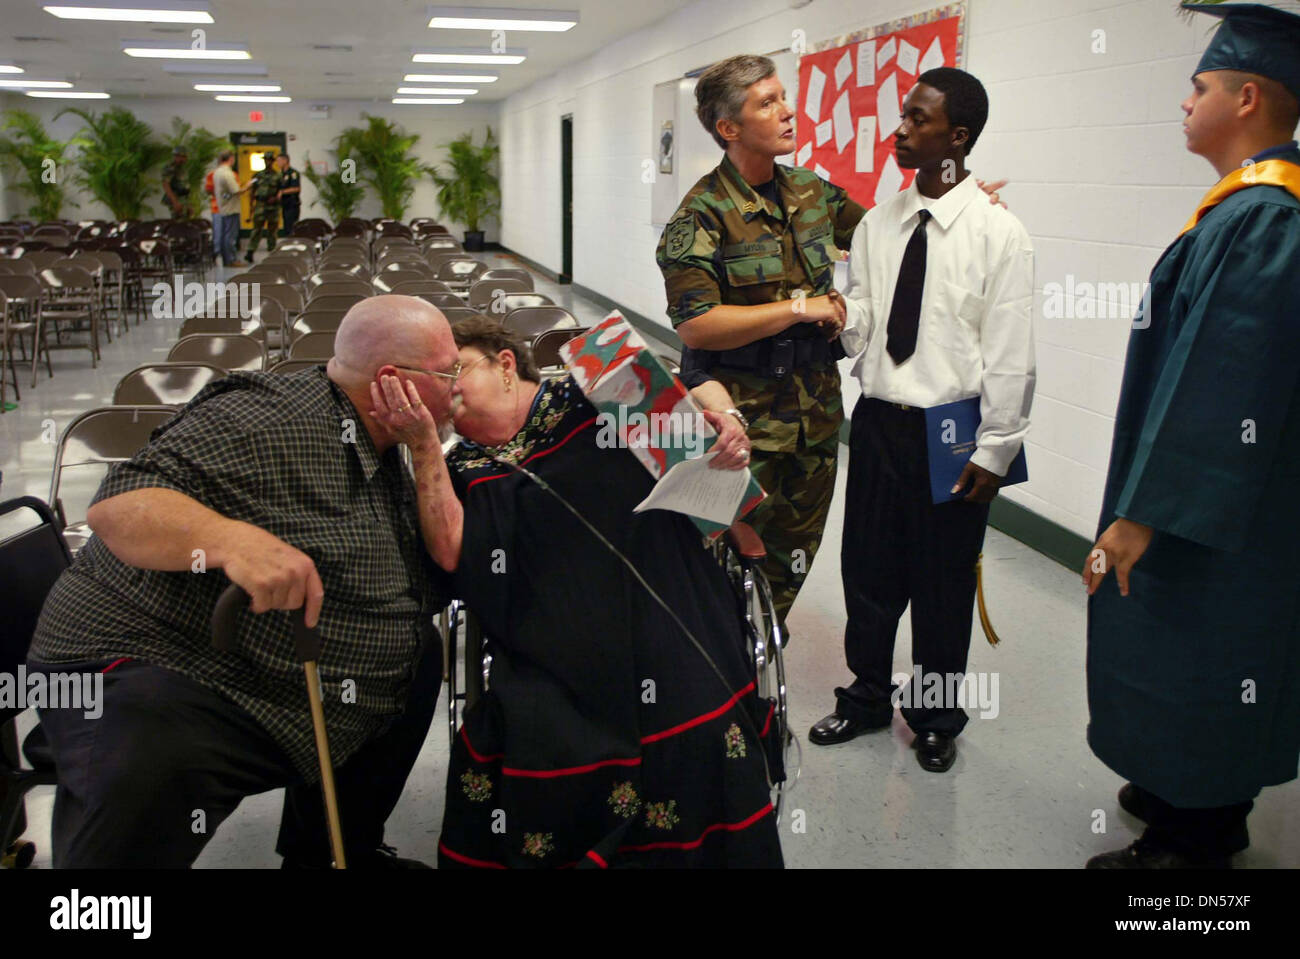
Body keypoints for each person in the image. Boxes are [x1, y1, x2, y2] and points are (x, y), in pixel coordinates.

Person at [27, 296, 461, 868]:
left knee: (414, 654)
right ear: (391, 381)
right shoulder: (268, 418)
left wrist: (428, 444)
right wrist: (231, 542)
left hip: (262, 663)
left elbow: (444, 559)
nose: (457, 385)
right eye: (447, 371)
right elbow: (119, 506)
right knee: (156, 751)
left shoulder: (387, 436)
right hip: (161, 660)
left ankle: (332, 853)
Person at [369, 317, 783, 868]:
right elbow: (451, 555)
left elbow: (697, 398)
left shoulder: (599, 388)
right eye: (437, 379)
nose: (447, 387)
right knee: (542, 743)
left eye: (458, 369)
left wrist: (722, 427)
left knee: (697, 727)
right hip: (550, 644)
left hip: (666, 605)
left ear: (506, 363)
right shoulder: (458, 468)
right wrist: (422, 444)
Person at [656, 55, 1005, 638]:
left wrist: (963, 207)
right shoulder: (699, 215)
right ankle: (724, 679)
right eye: (766, 103)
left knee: (789, 565)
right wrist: (798, 307)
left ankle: (762, 655)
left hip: (816, 420)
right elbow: (696, 325)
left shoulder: (812, 193)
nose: (787, 110)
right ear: (729, 129)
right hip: (744, 424)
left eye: (783, 96)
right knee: (723, 565)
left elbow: (889, 236)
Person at [1083, 0, 1300, 869]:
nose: (1184, 101)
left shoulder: (1265, 218)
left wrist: (1144, 513)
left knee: (1206, 647)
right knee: (1180, 646)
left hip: (1216, 506)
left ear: (1248, 97)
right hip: (1207, 492)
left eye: (1198, 86)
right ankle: (1181, 787)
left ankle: (1197, 837)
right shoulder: (1242, 208)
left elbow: (1225, 381)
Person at [811, 68, 1034, 775]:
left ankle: (936, 716)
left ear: (956, 137)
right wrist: (842, 322)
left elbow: (1010, 352)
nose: (899, 130)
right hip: (877, 422)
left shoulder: (1001, 235)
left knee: (941, 583)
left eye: (916, 119)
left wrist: (997, 448)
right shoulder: (880, 222)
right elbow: (871, 315)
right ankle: (869, 694)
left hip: (954, 433)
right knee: (867, 573)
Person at [212, 150, 252, 268]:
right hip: (231, 208)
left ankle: (226, 259)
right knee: (230, 236)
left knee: (225, 234)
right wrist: (248, 186)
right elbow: (236, 191)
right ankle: (231, 259)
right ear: (230, 159)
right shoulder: (227, 173)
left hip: (223, 207)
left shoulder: (217, 172)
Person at [245, 154, 283, 260]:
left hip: (273, 206)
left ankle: (272, 251)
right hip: (260, 205)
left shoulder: (278, 176)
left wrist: (276, 198)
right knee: (256, 229)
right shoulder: (257, 176)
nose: (267, 162)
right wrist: (250, 209)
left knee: (272, 230)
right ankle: (250, 251)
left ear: (273, 161)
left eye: (269, 160)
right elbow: (252, 192)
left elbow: (281, 190)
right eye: (265, 160)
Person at [275, 153, 302, 236]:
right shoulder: (281, 174)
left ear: (285, 161)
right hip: (284, 204)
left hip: (292, 204)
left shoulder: (293, 173)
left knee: (292, 227)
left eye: (279, 161)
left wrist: (282, 192)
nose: (277, 163)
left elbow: (297, 188)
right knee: (286, 227)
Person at [162, 146, 190, 219]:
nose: (184, 159)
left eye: (185, 157)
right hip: (176, 197)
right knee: (178, 222)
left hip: (184, 198)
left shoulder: (183, 168)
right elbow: (166, 185)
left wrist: (189, 204)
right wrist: (175, 201)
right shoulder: (170, 168)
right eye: (182, 156)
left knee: (186, 222)